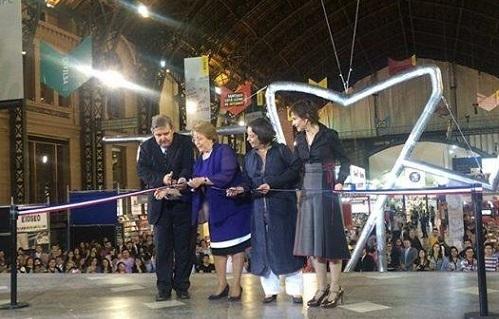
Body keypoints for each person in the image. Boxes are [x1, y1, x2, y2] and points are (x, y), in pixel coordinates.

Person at [227, 118, 305, 304]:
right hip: (258, 209)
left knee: (286, 245)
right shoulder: (249, 158)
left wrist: (273, 185)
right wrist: (240, 189)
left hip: (282, 207)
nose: (249, 139)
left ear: (262, 134)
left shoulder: (281, 151)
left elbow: (296, 170)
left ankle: (295, 291)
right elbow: (247, 181)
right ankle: (270, 290)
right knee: (262, 247)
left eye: (252, 135)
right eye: (248, 135)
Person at [290, 101, 351, 308]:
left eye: (295, 118)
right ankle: (321, 287)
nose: (293, 121)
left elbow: (345, 160)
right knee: (312, 242)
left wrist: (340, 181)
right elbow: (296, 167)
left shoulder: (329, 135)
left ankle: (335, 288)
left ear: (306, 118)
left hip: (327, 188)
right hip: (308, 191)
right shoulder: (298, 138)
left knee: (330, 240)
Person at [188, 121, 251, 301]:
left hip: (233, 207)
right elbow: (196, 177)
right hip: (215, 209)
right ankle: (222, 284)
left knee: (236, 248)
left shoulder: (224, 151)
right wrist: (193, 183)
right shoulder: (199, 159)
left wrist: (203, 180)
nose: (197, 142)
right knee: (218, 249)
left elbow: (227, 174)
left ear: (210, 137)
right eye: (194, 139)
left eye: (199, 138)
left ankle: (236, 285)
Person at [137, 114, 195, 301]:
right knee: (162, 250)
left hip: (182, 203)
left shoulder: (185, 143)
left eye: (166, 134)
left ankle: (182, 286)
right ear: (153, 133)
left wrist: (182, 180)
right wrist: (162, 180)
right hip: (159, 206)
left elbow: (189, 166)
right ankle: (163, 288)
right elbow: (143, 172)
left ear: (173, 130)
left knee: (184, 248)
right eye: (158, 135)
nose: (163, 138)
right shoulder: (145, 147)